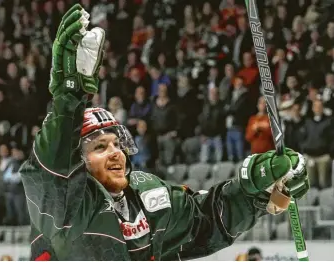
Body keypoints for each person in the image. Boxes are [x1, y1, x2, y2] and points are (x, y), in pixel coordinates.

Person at [20, 5, 310, 261]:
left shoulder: (148, 195)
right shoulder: (61, 207)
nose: (115, 152)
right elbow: (52, 166)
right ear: (78, 163)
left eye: (116, 144)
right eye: (99, 147)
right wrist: (68, 98)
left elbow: (206, 221)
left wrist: (256, 189)